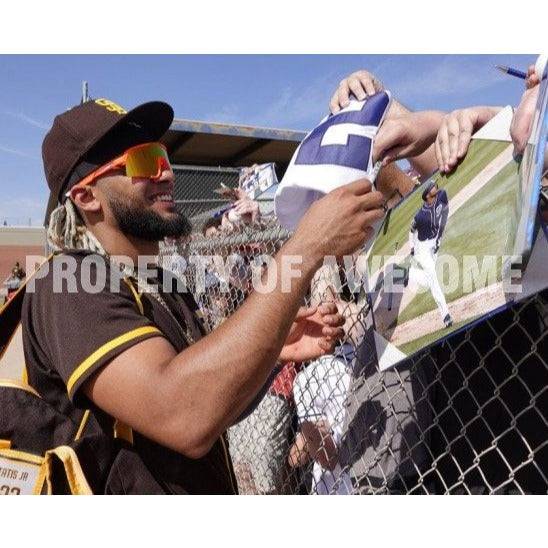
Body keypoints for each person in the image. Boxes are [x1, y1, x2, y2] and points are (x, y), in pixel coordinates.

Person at [21, 97, 384, 494]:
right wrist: (304, 247)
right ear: (87, 196)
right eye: (143, 162)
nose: (166, 174)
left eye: (163, 157)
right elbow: (183, 414)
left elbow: (215, 405)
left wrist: (272, 348)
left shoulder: (163, 285)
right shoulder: (68, 282)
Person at [406, 181, 452, 328]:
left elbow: (444, 214)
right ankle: (445, 315)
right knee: (433, 279)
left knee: (428, 281)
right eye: (432, 186)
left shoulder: (442, 196)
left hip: (434, 244)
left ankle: (409, 274)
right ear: (427, 195)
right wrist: (412, 248)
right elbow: (411, 231)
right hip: (422, 248)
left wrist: (439, 238)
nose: (435, 187)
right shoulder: (420, 216)